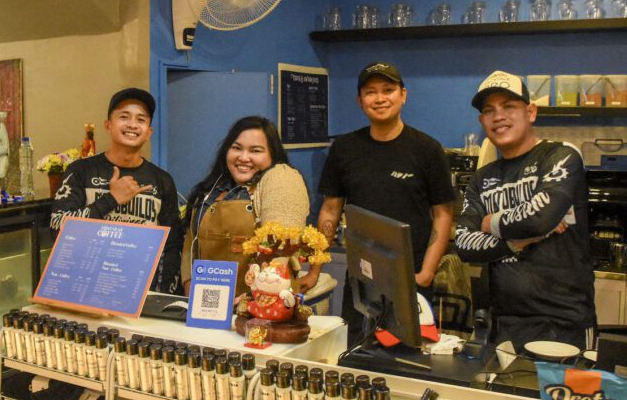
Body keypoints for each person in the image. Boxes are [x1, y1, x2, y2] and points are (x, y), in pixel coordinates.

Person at [454, 70, 596, 352]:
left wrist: (490, 222)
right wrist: (515, 242)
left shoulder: (561, 156)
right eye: (489, 110)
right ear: (482, 121)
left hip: (563, 323)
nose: (498, 116)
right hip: (504, 324)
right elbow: (464, 243)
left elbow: (539, 219)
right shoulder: (482, 178)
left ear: (531, 112)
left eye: (509, 106)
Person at [314, 61, 454, 345]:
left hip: (410, 279)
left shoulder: (427, 149)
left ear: (403, 95)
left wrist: (427, 272)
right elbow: (330, 210)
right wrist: (315, 270)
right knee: (355, 352)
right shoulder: (344, 148)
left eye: (388, 90)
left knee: (408, 355)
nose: (379, 98)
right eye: (370, 92)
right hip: (361, 278)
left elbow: (442, 214)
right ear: (360, 100)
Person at [49, 88, 183, 294]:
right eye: (124, 117)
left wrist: (160, 296)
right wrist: (111, 199)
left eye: (141, 119)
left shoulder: (162, 180)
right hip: (84, 289)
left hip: (139, 293)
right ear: (108, 125)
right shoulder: (81, 171)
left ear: (149, 132)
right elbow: (58, 228)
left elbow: (171, 245)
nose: (132, 124)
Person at [180, 116, 310, 296]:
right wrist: (189, 285)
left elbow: (279, 252)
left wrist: (249, 299)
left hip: (259, 303)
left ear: (272, 155)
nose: (243, 157)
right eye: (236, 148)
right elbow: (191, 242)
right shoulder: (212, 188)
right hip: (205, 301)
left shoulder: (281, 180)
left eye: (255, 151)